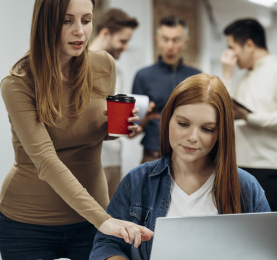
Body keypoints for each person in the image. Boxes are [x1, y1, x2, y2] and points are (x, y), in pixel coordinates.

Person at [0, 1, 153, 259]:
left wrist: (115, 128)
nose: (80, 31)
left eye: (86, 20)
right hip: (27, 224)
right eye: (67, 21)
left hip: (92, 218)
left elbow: (95, 134)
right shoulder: (18, 82)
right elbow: (46, 160)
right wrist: (103, 219)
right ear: (46, 23)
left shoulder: (104, 65)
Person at [89, 73, 271, 260]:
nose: (193, 137)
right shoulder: (137, 181)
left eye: (207, 129)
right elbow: (107, 245)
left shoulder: (245, 187)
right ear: (167, 119)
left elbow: (267, 249)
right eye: (183, 124)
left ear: (221, 133)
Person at [220, 19, 277, 260]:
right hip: (241, 167)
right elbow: (224, 110)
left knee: (269, 242)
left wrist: (250, 118)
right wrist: (226, 75)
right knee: (242, 240)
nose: (229, 54)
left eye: (232, 47)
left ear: (249, 45)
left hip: (272, 168)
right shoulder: (243, 78)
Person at [132, 15, 201, 164]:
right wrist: (143, 118)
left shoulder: (198, 77)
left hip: (191, 158)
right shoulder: (143, 76)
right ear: (157, 40)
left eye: (176, 40)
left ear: (186, 42)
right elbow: (135, 127)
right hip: (153, 156)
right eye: (165, 39)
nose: (170, 46)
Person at [89, 8, 139, 200]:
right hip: (91, 161)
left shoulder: (118, 71)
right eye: (123, 41)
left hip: (113, 159)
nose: (126, 47)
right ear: (106, 33)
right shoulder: (79, 67)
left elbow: (115, 124)